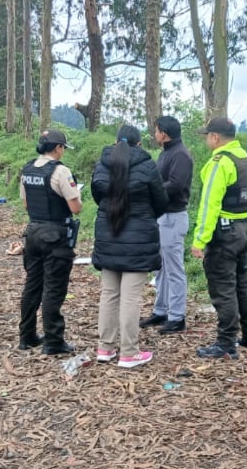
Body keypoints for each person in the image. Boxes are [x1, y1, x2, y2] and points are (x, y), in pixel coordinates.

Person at [91, 125, 168, 368]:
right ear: (139, 144)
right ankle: (128, 352)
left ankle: (105, 348)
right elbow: (161, 201)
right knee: (131, 297)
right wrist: (144, 215)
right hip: (138, 239)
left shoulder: (102, 164)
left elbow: (97, 196)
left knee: (109, 294)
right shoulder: (147, 166)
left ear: (116, 142)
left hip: (108, 233)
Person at [191, 117, 247, 360]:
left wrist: (200, 239)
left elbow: (209, 204)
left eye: (206, 136)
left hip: (224, 232)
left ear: (215, 137)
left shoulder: (219, 163)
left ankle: (226, 343)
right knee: (242, 283)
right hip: (245, 228)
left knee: (223, 287)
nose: (206, 140)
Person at [18, 129, 83, 356]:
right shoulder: (61, 171)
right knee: (53, 289)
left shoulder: (27, 169)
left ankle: (26, 336)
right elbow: (75, 208)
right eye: (63, 147)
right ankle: (53, 340)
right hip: (55, 236)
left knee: (32, 286)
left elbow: (26, 205)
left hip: (33, 232)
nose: (63, 151)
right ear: (57, 148)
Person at [139, 116, 194, 334]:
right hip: (163, 216)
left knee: (174, 269)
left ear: (164, 133)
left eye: (156, 130)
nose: (154, 134)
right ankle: (161, 311)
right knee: (161, 268)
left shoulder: (180, 154)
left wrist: (152, 189)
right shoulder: (166, 152)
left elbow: (177, 184)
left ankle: (177, 316)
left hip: (173, 217)